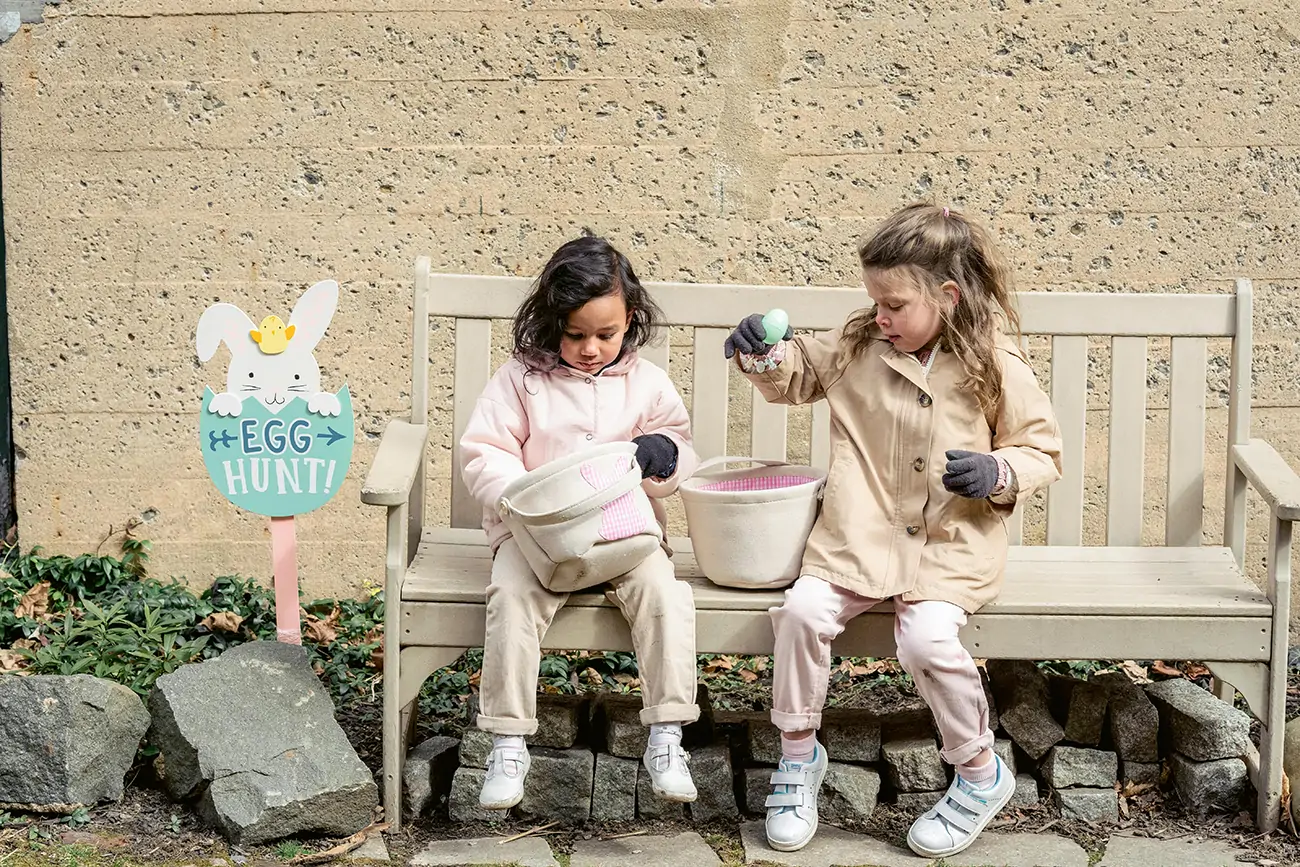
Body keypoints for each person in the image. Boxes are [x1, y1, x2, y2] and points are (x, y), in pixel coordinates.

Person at [725, 203, 1063, 858]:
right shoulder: (859, 342)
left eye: (895, 303)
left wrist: (998, 471)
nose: (880, 314)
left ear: (947, 295)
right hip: (858, 537)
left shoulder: (993, 362)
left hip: (947, 546)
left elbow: (1041, 450)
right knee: (800, 612)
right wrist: (763, 352)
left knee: (929, 641)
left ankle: (978, 771)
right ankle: (797, 759)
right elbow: (798, 373)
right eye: (874, 299)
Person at [460, 235, 701, 810]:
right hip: (539, 540)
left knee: (666, 596)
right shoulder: (520, 380)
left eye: (605, 334)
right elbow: (484, 452)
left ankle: (667, 734)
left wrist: (662, 454)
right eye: (575, 334)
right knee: (511, 599)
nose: (590, 348)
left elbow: (679, 448)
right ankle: (509, 740)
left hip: (627, 535)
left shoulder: (646, 383)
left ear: (631, 321)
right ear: (551, 323)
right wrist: (520, 498)